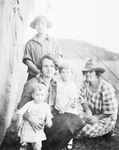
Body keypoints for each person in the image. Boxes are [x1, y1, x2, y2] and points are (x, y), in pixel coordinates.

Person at [76, 58, 118, 138]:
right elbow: (82, 98)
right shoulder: (85, 83)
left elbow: (110, 111)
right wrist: (87, 110)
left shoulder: (106, 87)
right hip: (91, 113)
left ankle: (108, 130)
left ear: (96, 73)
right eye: (86, 72)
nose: (87, 74)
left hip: (105, 117)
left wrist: (97, 117)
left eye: (90, 71)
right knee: (74, 120)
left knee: (84, 131)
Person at [55, 61, 92, 149]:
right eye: (62, 72)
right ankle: (59, 138)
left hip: (68, 108)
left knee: (69, 125)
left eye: (67, 72)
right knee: (59, 124)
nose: (65, 74)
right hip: (59, 106)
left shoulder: (71, 85)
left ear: (71, 73)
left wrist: (64, 108)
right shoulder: (58, 82)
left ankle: (69, 140)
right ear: (59, 73)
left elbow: (72, 100)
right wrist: (60, 107)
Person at [23, 15, 62, 81]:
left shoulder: (54, 42)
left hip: (50, 76)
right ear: (35, 26)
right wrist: (38, 71)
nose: (40, 26)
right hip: (34, 75)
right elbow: (27, 60)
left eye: (43, 24)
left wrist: (54, 70)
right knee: (30, 90)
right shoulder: (30, 43)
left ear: (47, 25)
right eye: (38, 24)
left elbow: (59, 58)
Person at [16, 84, 53, 150]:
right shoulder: (30, 104)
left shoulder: (45, 106)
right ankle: (23, 145)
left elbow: (49, 114)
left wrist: (48, 119)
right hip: (27, 128)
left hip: (38, 129)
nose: (39, 97)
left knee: (37, 145)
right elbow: (20, 112)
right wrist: (19, 120)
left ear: (45, 96)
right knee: (23, 145)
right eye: (37, 95)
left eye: (42, 95)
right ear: (33, 95)